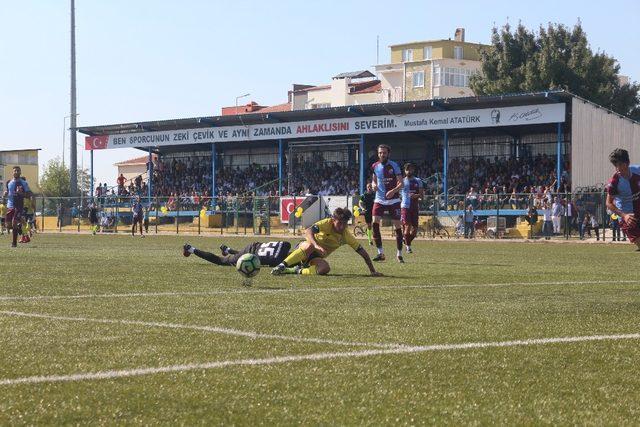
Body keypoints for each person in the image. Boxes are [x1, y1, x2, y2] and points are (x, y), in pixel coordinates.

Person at [272, 207, 382, 276]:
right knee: (310, 246)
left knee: (325, 268)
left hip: (315, 258)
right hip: (305, 248)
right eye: (340, 223)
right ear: (333, 220)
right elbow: (308, 231)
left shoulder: (346, 235)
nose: (342, 226)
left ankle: (294, 271)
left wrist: (372, 270)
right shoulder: (326, 223)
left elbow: (362, 252)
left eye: (345, 223)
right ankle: (282, 265)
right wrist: (316, 245)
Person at [370, 144, 404, 262]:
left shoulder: (394, 165)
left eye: (384, 153)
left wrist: (393, 191)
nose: (382, 155)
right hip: (379, 199)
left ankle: (399, 254)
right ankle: (380, 253)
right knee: (375, 224)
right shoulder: (375, 166)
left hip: (393, 200)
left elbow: (401, 184)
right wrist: (373, 185)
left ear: (388, 154)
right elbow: (374, 180)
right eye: (380, 153)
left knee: (397, 226)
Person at [605, 148, 640, 250]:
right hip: (628, 217)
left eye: (620, 164)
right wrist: (624, 216)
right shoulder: (614, 182)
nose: (618, 168)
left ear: (627, 163)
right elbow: (608, 203)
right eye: (615, 165)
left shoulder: (638, 171)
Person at [183, 240, 291, 267]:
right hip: (250, 255)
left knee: (243, 254)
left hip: (253, 246)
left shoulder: (286, 245)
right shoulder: (277, 261)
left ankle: (227, 250)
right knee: (221, 261)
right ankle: (191, 249)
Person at [2, 166, 33, 248]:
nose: (16, 172)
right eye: (15, 171)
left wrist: (21, 194)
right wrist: (5, 194)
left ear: (20, 172)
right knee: (8, 225)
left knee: (14, 222)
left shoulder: (24, 183)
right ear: (13, 172)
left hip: (19, 206)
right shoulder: (9, 182)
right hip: (10, 206)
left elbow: (29, 194)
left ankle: (14, 243)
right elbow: (8, 193)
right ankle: (19, 229)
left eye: (18, 171)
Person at [399, 163, 423, 253]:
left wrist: (415, 196)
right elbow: (397, 193)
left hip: (415, 207)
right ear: (404, 171)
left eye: (411, 169)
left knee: (415, 229)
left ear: (413, 170)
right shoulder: (402, 181)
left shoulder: (418, 181)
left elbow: (422, 196)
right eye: (407, 169)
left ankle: (405, 241)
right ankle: (408, 247)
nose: (409, 171)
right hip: (405, 206)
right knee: (407, 226)